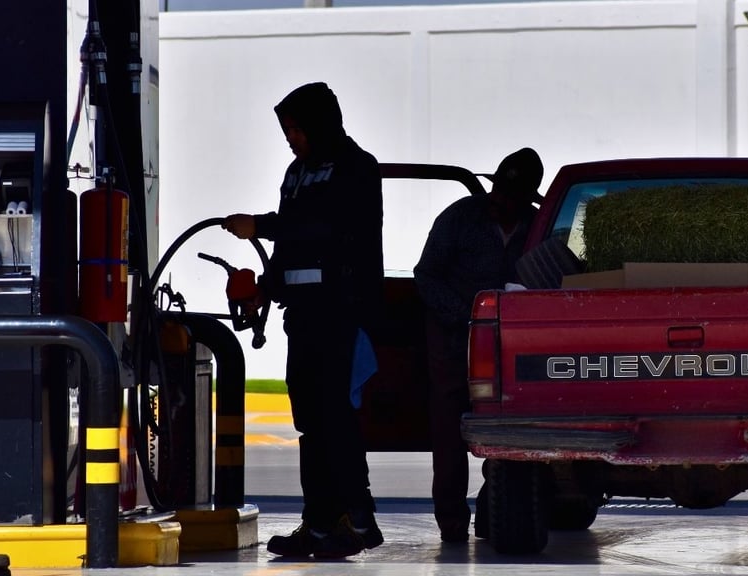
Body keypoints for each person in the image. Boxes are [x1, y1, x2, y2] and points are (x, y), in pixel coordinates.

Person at [222, 81, 384, 559]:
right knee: (311, 425)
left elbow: (330, 228)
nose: (290, 138)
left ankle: (359, 518)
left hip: (342, 314)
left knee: (338, 419)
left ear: (319, 124)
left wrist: (261, 223)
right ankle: (318, 525)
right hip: (305, 320)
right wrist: (264, 292)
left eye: (295, 128)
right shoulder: (296, 174)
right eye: (286, 129)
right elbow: (288, 249)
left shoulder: (358, 168)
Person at [413, 147, 544, 543]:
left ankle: (494, 508)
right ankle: (451, 522)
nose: (499, 202)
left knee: (509, 436)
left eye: (510, 197)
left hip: (511, 353)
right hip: (453, 345)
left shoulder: (538, 228)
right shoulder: (458, 218)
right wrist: (464, 316)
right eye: (498, 192)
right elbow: (426, 276)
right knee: (449, 435)